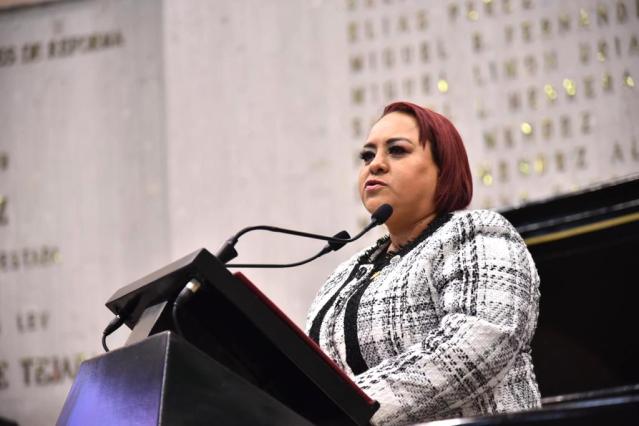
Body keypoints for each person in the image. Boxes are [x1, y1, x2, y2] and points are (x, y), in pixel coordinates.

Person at [306, 101, 541, 425]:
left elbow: (479, 342)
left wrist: (343, 406)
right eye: (367, 156)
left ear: (444, 170)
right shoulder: (345, 273)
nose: (375, 165)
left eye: (397, 150)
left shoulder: (477, 233)